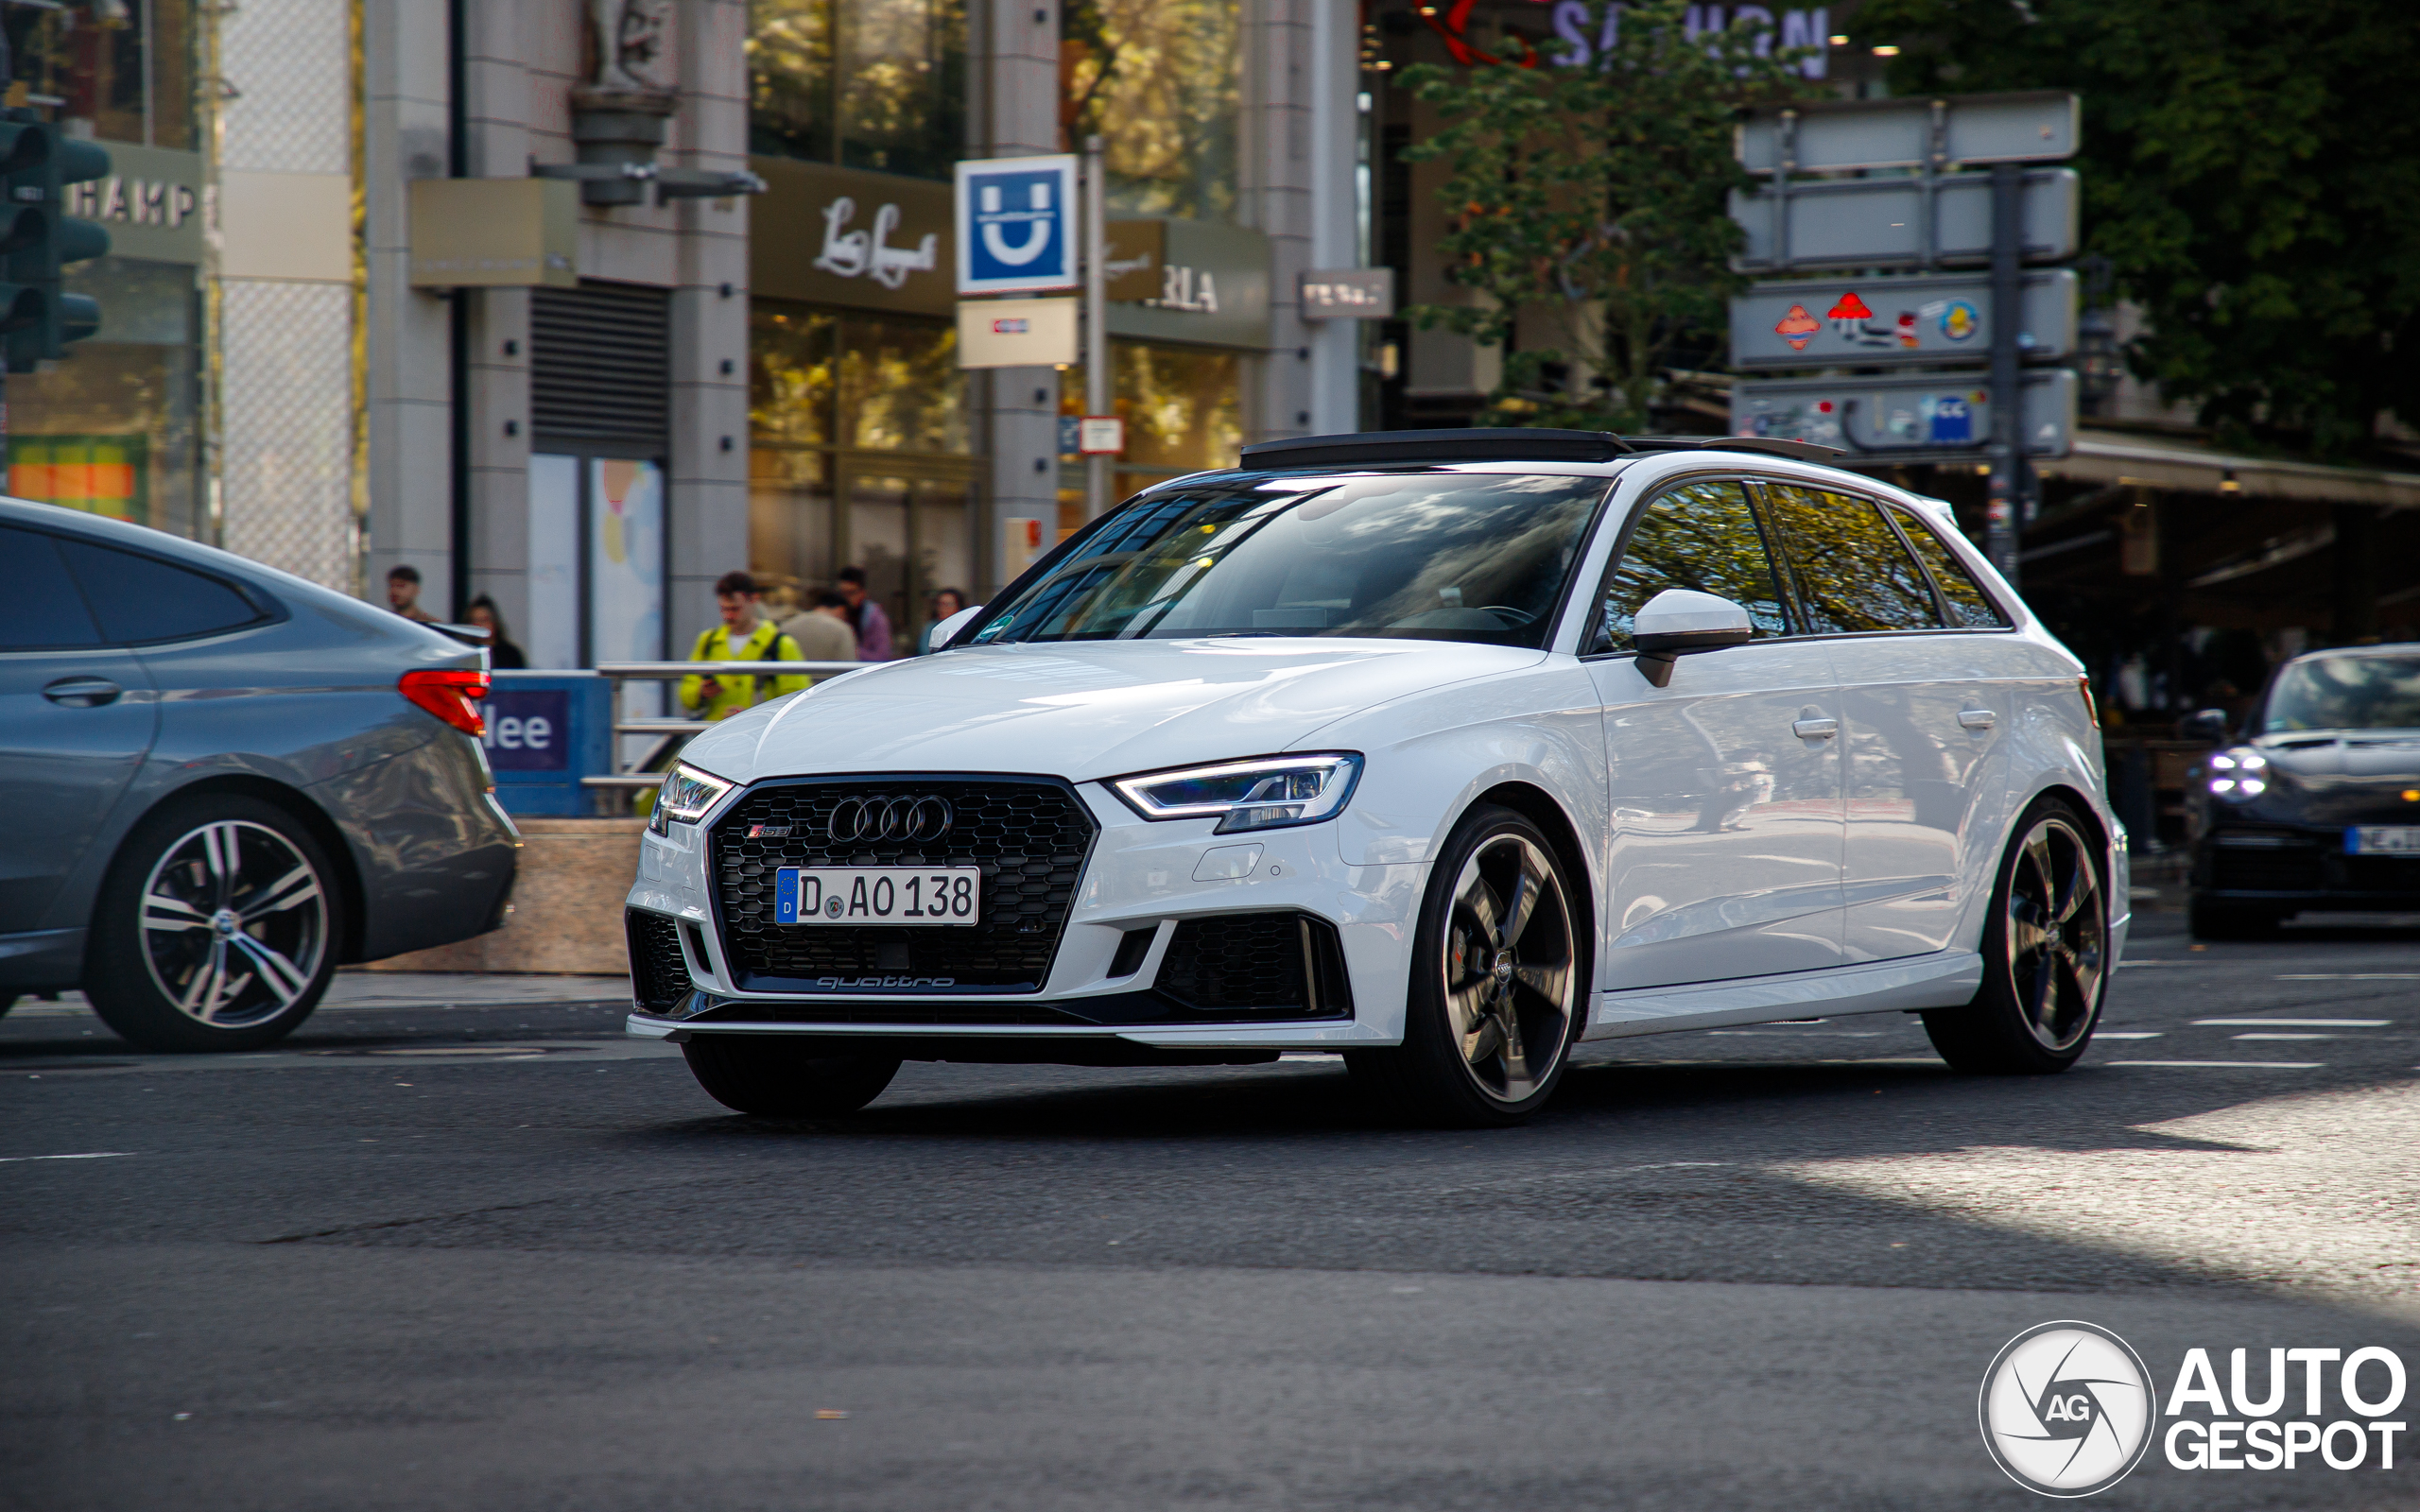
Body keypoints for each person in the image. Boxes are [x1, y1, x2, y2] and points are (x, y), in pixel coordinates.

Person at [677, 571, 810, 722]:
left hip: (757, 733)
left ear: (754, 600)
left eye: (735, 609)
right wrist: (701, 692)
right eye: (723, 609)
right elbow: (686, 693)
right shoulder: (707, 641)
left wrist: (752, 714)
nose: (728, 616)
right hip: (715, 734)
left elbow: (797, 700)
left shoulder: (781, 644)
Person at [778, 589, 858, 665]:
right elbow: (848, 663)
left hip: (793, 678)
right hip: (829, 678)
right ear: (841, 610)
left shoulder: (787, 626)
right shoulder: (842, 629)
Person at [837, 565, 892, 661]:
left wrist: (850, 651)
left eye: (850, 593)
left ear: (862, 592)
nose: (845, 599)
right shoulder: (836, 613)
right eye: (842, 594)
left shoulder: (874, 618)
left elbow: (882, 656)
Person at [463, 594, 527, 668]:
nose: (479, 625)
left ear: (494, 622)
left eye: (484, 620)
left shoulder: (510, 654)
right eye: (474, 621)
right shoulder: (465, 654)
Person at [918, 587, 967, 654]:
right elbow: (924, 650)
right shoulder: (931, 627)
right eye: (940, 604)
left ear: (958, 606)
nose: (943, 608)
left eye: (948, 604)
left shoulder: (966, 626)